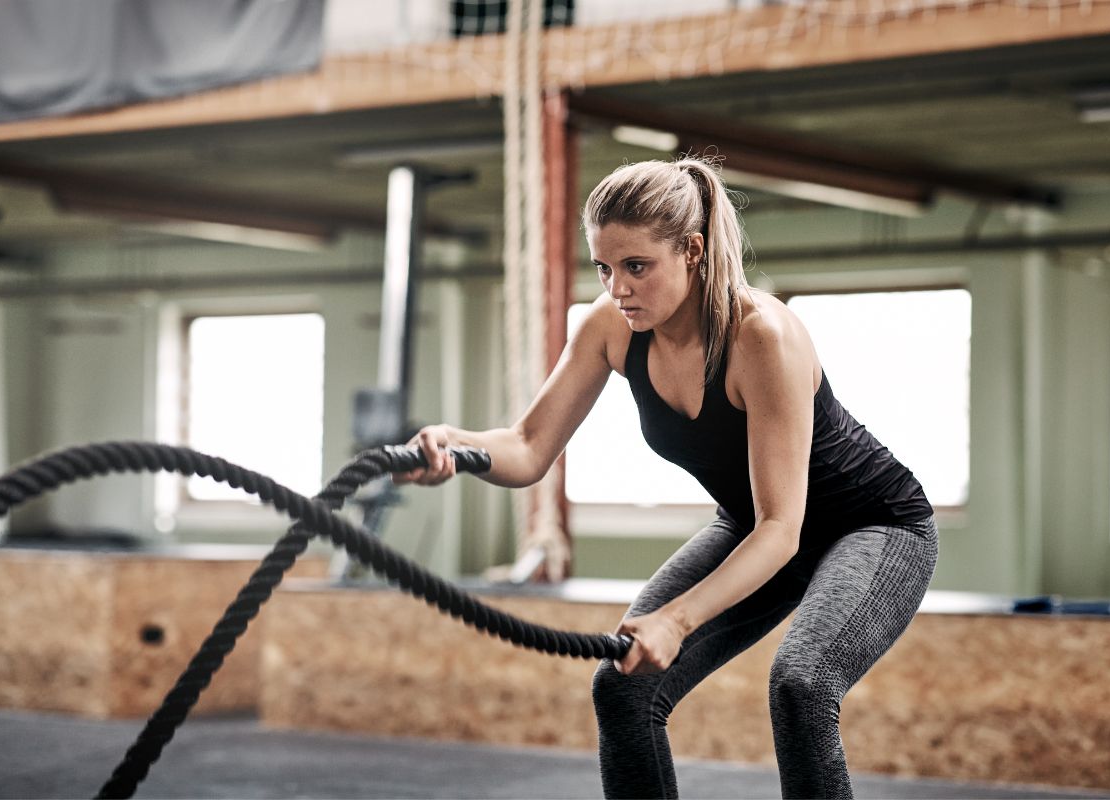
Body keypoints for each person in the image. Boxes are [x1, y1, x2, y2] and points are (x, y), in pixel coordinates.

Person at [395, 156, 937, 799]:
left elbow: (782, 528)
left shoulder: (762, 336)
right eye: (603, 267)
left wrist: (676, 622)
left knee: (802, 684)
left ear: (693, 251)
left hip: (872, 525)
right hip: (752, 527)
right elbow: (528, 446)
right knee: (623, 686)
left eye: (636, 267)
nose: (617, 288)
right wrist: (458, 447)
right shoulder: (609, 328)